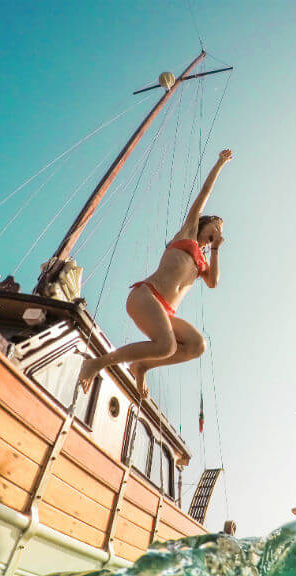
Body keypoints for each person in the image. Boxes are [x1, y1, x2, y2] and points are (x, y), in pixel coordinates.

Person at [79, 149, 233, 395]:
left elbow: (214, 282)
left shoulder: (203, 262)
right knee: (167, 346)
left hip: (165, 312)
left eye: (221, 229)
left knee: (197, 345)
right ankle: (96, 363)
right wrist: (220, 163)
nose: (218, 230)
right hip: (146, 296)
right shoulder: (188, 232)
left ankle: (141, 366)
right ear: (205, 224)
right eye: (216, 225)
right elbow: (205, 192)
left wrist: (215, 248)